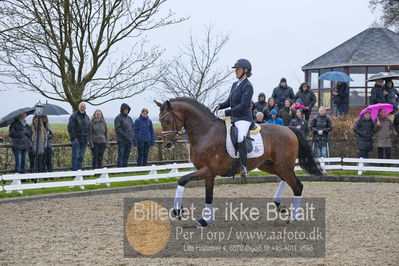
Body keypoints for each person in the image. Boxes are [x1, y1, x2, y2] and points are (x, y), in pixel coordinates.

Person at [215, 58, 254, 176]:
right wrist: (219, 106)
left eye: (238, 69)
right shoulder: (234, 85)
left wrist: (226, 113)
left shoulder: (248, 86)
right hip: (234, 118)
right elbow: (229, 101)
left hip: (244, 118)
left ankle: (244, 166)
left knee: (240, 138)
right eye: (235, 69)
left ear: (245, 70)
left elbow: (243, 105)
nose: (235, 71)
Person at [68, 102, 91, 171]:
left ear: (85, 108)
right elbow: (70, 128)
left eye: (83, 106)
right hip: (76, 140)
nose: (82, 107)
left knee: (81, 157)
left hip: (84, 141)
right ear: (78, 107)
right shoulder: (73, 116)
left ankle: (79, 172)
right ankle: (75, 173)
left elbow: (88, 129)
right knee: (76, 156)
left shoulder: (87, 117)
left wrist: (87, 138)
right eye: (81, 106)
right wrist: (74, 139)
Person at [114, 103, 134, 167]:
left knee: (127, 155)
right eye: (125, 109)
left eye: (127, 109)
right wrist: (125, 136)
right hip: (122, 140)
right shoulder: (118, 118)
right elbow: (118, 129)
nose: (126, 110)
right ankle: (120, 168)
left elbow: (132, 128)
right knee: (121, 155)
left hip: (129, 140)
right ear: (122, 110)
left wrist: (131, 136)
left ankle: (125, 168)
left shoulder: (129, 118)